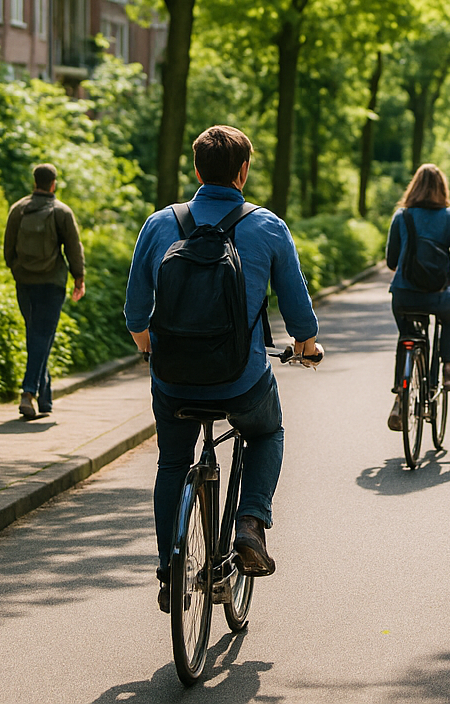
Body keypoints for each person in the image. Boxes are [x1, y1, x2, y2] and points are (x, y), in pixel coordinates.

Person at [125, 125, 320, 611]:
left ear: (196, 170)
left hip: (173, 381)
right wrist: (307, 347)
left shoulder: (159, 224)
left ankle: (169, 570)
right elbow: (299, 315)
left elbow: (135, 313)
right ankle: (250, 523)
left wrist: (151, 352)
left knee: (173, 462)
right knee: (267, 431)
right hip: (241, 381)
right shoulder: (267, 226)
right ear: (243, 171)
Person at [386, 164, 450, 430]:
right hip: (439, 296)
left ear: (413, 186)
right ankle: (448, 368)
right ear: (442, 188)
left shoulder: (402, 216)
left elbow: (391, 261)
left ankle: (399, 399)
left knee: (406, 337)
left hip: (404, 295)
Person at [4, 163, 87, 420]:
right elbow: (73, 247)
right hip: (52, 283)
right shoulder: (61, 211)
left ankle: (45, 399)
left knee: (36, 336)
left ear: (34, 182)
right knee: (42, 336)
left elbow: (8, 250)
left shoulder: (18, 209)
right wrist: (78, 277)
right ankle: (28, 392)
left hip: (24, 282)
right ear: (53, 184)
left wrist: (18, 270)